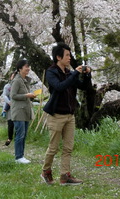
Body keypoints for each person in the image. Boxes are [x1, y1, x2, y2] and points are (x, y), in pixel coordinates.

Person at [40, 42, 91, 185]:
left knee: (68, 148)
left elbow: (84, 87)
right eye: (67, 55)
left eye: (70, 55)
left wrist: (87, 75)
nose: (70, 58)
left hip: (70, 116)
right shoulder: (51, 72)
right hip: (56, 115)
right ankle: (46, 171)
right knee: (53, 147)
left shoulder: (69, 73)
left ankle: (65, 176)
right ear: (58, 57)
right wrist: (75, 73)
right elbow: (59, 87)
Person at [10, 59, 36, 164]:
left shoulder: (25, 81)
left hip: (25, 111)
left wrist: (32, 96)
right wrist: (27, 95)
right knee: (20, 135)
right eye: (26, 67)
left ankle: (21, 156)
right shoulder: (17, 80)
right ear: (20, 68)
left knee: (24, 135)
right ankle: (18, 157)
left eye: (28, 67)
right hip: (19, 111)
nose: (28, 69)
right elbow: (13, 95)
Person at [2, 73, 15, 146]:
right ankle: (9, 138)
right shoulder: (7, 86)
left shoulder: (22, 85)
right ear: (10, 77)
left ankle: (18, 138)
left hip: (19, 107)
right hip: (10, 106)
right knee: (10, 123)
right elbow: (5, 96)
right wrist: (9, 103)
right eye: (13, 76)